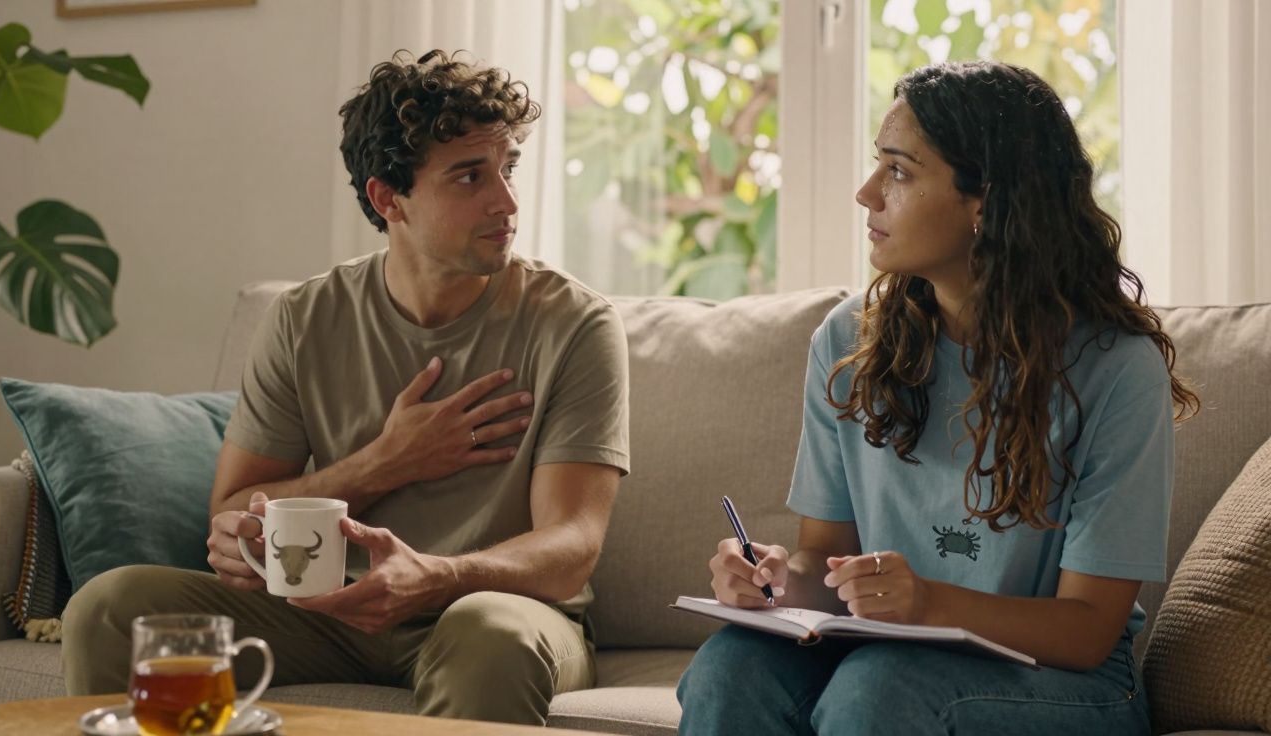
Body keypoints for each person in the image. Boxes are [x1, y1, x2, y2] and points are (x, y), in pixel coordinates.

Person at [61, 49, 630, 726]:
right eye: (471, 176)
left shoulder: (575, 324)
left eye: (507, 169)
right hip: (325, 612)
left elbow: (571, 547)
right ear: (388, 198)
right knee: (109, 605)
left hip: (490, 609)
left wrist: (437, 577)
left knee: (491, 638)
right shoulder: (305, 319)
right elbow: (236, 508)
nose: (505, 200)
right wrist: (388, 461)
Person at [676, 60, 1199, 735]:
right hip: (885, 655)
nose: (867, 192)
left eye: (898, 170)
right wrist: (774, 580)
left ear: (984, 201)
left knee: (878, 690)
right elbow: (824, 558)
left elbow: (1088, 631)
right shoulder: (847, 342)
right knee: (731, 667)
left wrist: (926, 602)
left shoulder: (1115, 369)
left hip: (1065, 682)